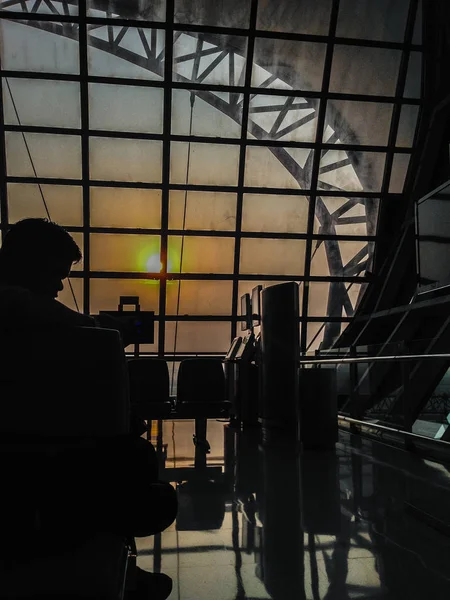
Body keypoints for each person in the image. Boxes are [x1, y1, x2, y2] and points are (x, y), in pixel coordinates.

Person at [0, 218, 176, 600]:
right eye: (56, 274)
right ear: (31, 263)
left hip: (27, 445)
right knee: (143, 475)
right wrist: (106, 328)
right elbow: (70, 322)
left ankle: (122, 568)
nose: (60, 286)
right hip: (33, 459)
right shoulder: (15, 301)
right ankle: (118, 567)